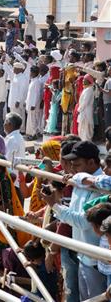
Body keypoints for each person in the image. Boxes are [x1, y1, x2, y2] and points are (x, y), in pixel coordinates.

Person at [41, 141, 106, 300]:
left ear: (91, 162)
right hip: (82, 253)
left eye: (76, 165)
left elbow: (84, 222)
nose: (72, 169)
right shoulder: (79, 180)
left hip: (95, 259)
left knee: (95, 299)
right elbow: (72, 212)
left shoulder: (98, 186)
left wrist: (55, 205)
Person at [77, 74, 95, 142]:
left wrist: (79, 109)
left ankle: (86, 142)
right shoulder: (86, 89)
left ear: (88, 81)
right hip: (83, 111)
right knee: (82, 127)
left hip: (86, 111)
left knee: (86, 127)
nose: (83, 81)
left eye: (85, 79)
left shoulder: (89, 90)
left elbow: (85, 102)